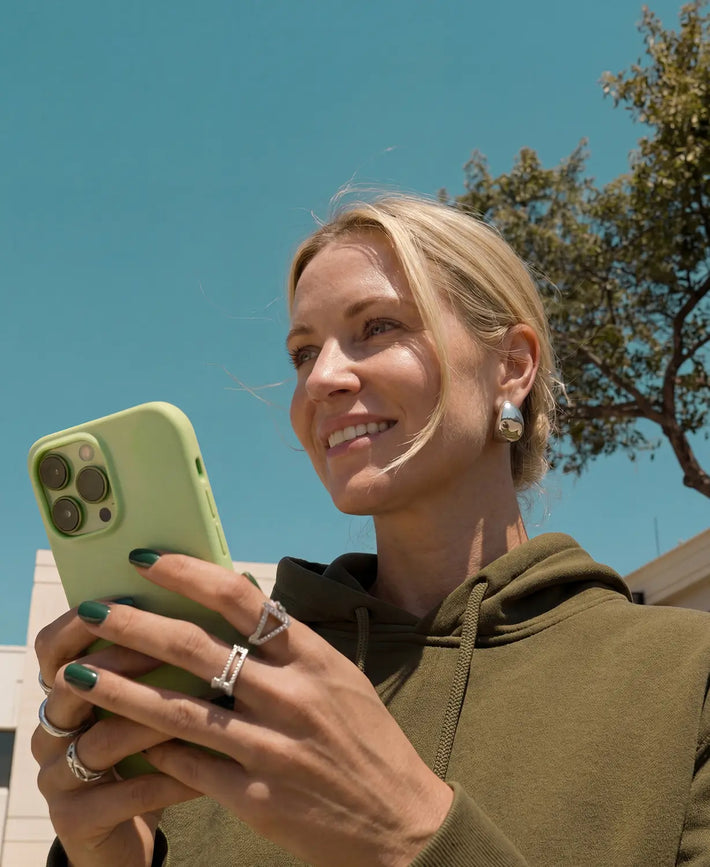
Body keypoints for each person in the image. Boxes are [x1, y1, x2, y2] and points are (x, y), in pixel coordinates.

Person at [33, 195, 710, 866]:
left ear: (512, 366)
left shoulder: (688, 676)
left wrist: (411, 833)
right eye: (303, 352)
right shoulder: (229, 685)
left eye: (379, 326)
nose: (321, 377)